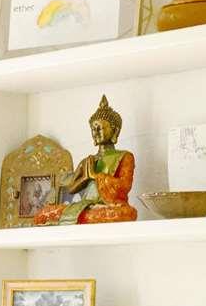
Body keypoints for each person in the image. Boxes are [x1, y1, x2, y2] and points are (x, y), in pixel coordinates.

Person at [38, 96, 137, 224]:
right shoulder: (88, 161)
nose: (95, 132)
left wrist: (95, 176)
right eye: (93, 129)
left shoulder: (125, 156)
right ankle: (83, 218)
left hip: (111, 206)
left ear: (115, 130)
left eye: (100, 128)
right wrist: (85, 177)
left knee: (126, 213)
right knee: (45, 213)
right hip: (86, 207)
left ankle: (84, 218)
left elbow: (124, 186)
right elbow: (71, 189)